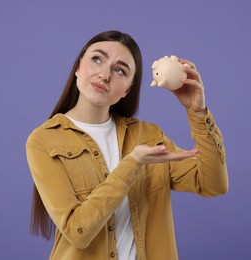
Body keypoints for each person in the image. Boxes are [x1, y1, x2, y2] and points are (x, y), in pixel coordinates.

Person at [26, 30, 228, 260]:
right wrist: (133, 163)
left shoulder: (148, 135)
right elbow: (78, 231)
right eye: (97, 59)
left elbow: (213, 184)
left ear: (127, 89)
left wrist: (198, 112)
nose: (104, 75)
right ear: (78, 67)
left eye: (120, 70)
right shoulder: (44, 140)